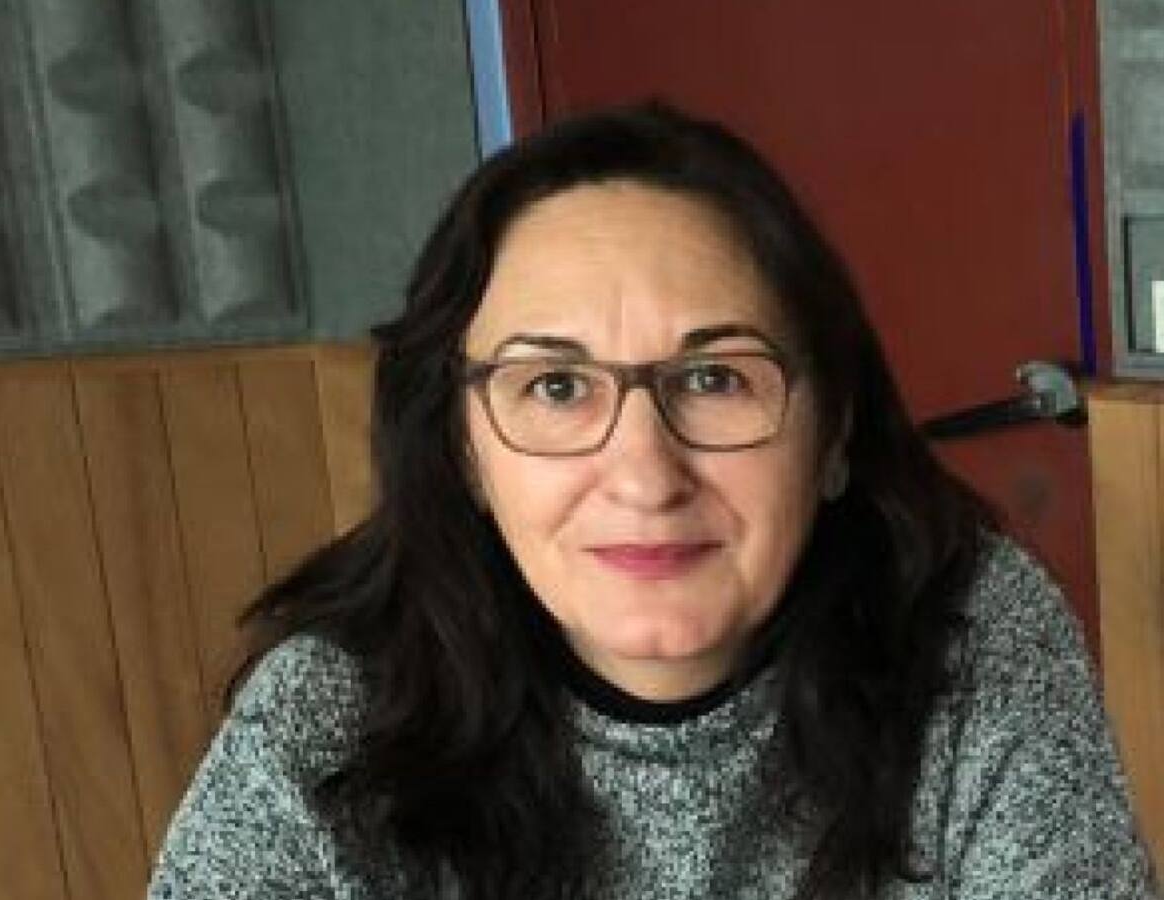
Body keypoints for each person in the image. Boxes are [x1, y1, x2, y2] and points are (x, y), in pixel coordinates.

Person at [147, 102, 1158, 900]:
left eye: (715, 379)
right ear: (465, 453)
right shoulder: (329, 720)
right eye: (555, 387)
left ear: (834, 435)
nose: (644, 474)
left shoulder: (970, 634)